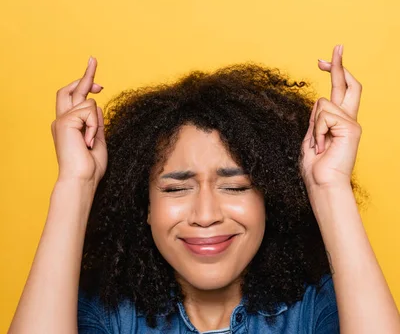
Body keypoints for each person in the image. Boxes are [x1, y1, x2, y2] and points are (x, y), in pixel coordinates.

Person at [7, 45, 400, 334]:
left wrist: (328, 185)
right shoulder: (109, 315)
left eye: (236, 186)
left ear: (270, 199)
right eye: (177, 189)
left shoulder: (316, 308)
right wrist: (76, 183)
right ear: (144, 205)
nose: (207, 213)